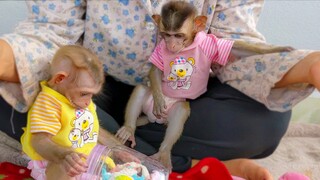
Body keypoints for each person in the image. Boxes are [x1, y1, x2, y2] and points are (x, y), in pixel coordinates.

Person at [0, 0, 317, 179]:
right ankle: (183, 162)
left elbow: (236, 47)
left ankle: (112, 144)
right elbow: (51, 31)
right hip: (96, 87)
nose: (170, 43)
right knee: (15, 95)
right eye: (166, 36)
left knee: (268, 120)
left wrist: (302, 64)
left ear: (198, 25)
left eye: (178, 38)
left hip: (187, 97)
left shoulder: (204, 41)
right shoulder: (159, 52)